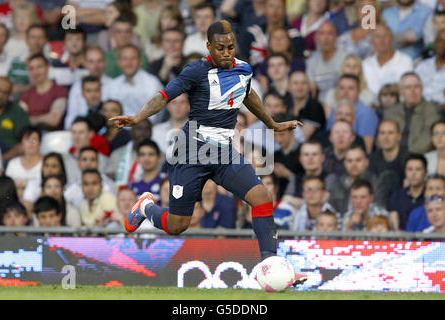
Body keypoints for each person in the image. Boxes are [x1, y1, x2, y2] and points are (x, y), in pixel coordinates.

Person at [110, 19, 306, 277]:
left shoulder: (244, 70)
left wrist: (272, 123)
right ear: (209, 47)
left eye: (231, 47)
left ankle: (271, 266)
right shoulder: (195, 71)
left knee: (262, 198)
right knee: (177, 225)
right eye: (220, 48)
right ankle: (145, 208)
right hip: (192, 152)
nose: (226, 53)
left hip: (223, 152)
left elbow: (249, 95)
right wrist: (137, 118)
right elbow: (164, 96)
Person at [383, 72, 442, 154]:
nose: (413, 91)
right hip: (392, 158)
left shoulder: (431, 110)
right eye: (408, 87)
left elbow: (427, 141)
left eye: (416, 86)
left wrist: (406, 157)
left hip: (419, 158)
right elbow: (382, 140)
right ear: (401, 92)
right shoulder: (391, 112)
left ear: (422, 89)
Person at [105, 44, 163, 123]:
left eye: (133, 58)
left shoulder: (152, 83)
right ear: (119, 62)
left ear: (140, 61)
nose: (129, 62)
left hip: (145, 130)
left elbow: (153, 116)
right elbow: (108, 113)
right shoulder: (112, 85)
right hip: (118, 129)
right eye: (125, 59)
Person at [325, 74, 379, 154]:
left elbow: (366, 149)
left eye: (350, 88)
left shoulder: (367, 113)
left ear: (358, 91)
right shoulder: (335, 110)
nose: (345, 92)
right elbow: (328, 138)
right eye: (342, 88)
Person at [64, 45, 113, 130]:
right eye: (91, 61)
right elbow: (70, 119)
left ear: (105, 62)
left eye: (99, 61)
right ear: (85, 63)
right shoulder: (77, 87)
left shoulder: (114, 85)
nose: (96, 65)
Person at [362, 23, 414, 96]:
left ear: (392, 38)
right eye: (378, 37)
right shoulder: (365, 64)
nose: (382, 40)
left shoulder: (405, 61)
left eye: (385, 36)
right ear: (372, 41)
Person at [20, 53, 68, 131]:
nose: (36, 72)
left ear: (48, 67)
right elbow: (19, 121)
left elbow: (54, 120)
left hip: (54, 137)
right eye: (31, 68)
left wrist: (31, 120)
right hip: (32, 139)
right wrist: (44, 118)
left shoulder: (59, 90)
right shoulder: (27, 94)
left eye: (39, 67)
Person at [306, 21, 347, 103]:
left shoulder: (346, 59)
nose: (326, 38)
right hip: (319, 107)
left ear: (336, 37)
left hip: (342, 104)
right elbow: (312, 92)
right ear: (316, 38)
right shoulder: (311, 62)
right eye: (322, 33)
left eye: (330, 33)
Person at [7, 23, 48, 97]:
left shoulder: (52, 63)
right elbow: (9, 89)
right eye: (33, 37)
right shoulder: (16, 62)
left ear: (45, 40)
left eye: (40, 37)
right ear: (27, 40)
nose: (36, 41)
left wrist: (22, 88)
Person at [388, 154, 427, 231]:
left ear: (425, 172)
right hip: (402, 241)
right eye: (410, 169)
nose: (413, 173)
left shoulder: (431, 196)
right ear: (405, 172)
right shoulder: (397, 197)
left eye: (418, 169)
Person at [22, 152, 67, 217]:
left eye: (54, 166)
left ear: (61, 169)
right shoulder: (33, 184)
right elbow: (26, 209)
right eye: (46, 166)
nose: (49, 170)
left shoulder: (71, 187)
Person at [368, 119, 408, 190]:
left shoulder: (408, 159)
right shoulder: (372, 159)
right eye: (382, 133)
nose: (386, 138)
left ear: (399, 136)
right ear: (378, 137)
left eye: (390, 133)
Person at [5, 125, 42, 199]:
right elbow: (7, 187)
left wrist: (19, 184)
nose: (31, 142)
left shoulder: (47, 164)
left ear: (40, 143)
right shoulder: (13, 163)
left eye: (34, 139)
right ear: (21, 143)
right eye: (27, 139)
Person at [287, 71, 325, 140]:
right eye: (295, 83)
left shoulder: (315, 107)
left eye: (303, 83)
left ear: (309, 86)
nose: (299, 86)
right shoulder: (285, 104)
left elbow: (302, 138)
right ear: (289, 87)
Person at [272, 112, 303, 197]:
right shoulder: (275, 155)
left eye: (282, 134)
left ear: (292, 131)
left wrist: (288, 175)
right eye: (275, 135)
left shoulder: (304, 152)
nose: (278, 139)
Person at [415, 29, 445, 107]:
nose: (442, 44)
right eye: (440, 40)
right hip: (418, 106)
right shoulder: (423, 65)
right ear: (434, 43)